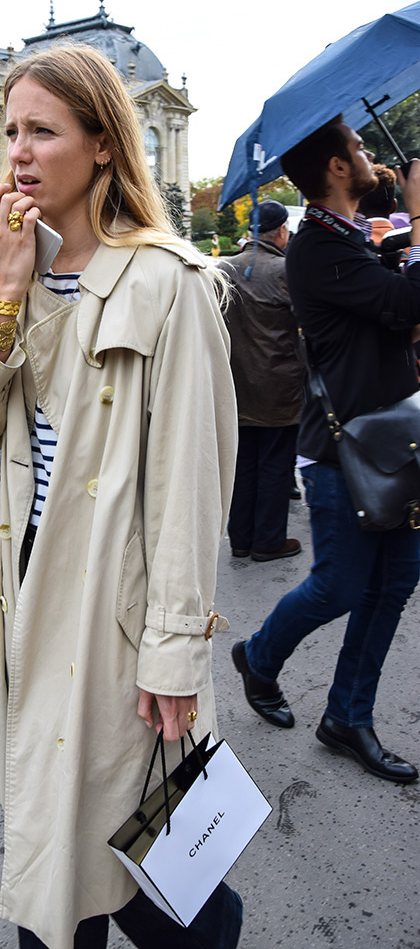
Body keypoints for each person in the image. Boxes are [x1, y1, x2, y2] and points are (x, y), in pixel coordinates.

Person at [0, 44, 240, 949]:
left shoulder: (170, 281)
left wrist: (175, 651)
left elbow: (190, 487)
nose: (17, 153)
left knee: (122, 861)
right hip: (24, 598)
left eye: (42, 130)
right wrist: (2, 290)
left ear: (104, 144)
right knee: (60, 851)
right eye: (10, 131)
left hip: (113, 613)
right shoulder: (14, 279)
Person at [232, 114, 420, 784]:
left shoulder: (344, 237)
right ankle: (259, 655)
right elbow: (404, 306)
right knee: (341, 583)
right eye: (359, 146)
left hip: (392, 439)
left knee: (397, 578)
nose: (370, 153)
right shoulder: (317, 246)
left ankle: (347, 716)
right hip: (344, 449)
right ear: (337, 168)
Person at [219, 200, 305, 561]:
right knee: (274, 463)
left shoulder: (223, 268)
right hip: (278, 385)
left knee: (243, 462)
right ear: (281, 231)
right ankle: (268, 541)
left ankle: (240, 538)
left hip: (236, 383)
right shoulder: (286, 270)